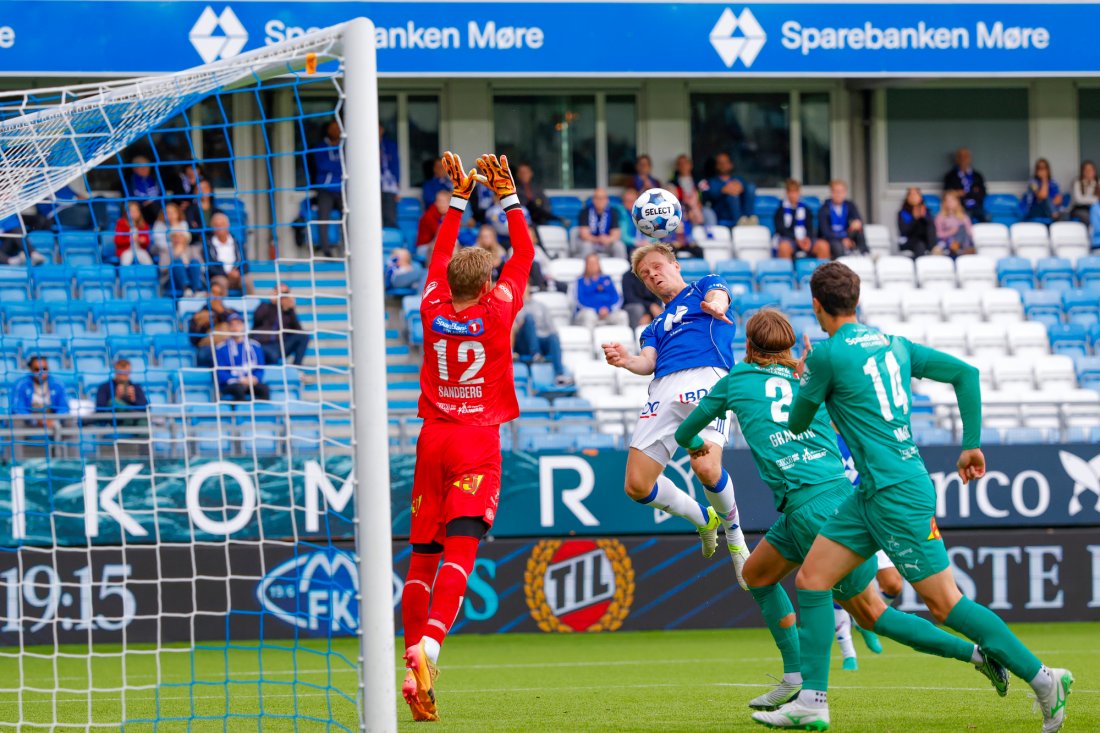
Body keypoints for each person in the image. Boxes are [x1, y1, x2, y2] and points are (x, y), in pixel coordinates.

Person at [753, 262, 1073, 731]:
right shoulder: (895, 345)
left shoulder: (826, 355)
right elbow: (965, 373)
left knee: (946, 605)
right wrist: (970, 443)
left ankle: (1044, 678)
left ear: (817, 305)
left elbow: (799, 423)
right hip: (874, 493)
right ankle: (812, 702)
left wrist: (806, 381)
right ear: (856, 301)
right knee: (813, 580)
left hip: (896, 494)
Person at [675, 309, 1006, 712]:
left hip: (817, 512)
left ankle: (976, 655)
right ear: (791, 345)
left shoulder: (737, 380)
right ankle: (795, 677)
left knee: (872, 613)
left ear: (749, 346)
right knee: (756, 574)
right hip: (818, 503)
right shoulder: (810, 376)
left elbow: (684, 431)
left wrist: (696, 445)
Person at [401, 152, 532, 722]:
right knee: (461, 549)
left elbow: (436, 257)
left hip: (431, 438)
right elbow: (524, 254)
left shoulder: (431, 306)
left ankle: (412, 663)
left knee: (421, 559)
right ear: (486, 284)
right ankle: (430, 647)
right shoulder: (498, 310)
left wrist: (458, 199)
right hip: (477, 440)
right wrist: (508, 199)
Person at [601, 243, 749, 585]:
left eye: (656, 267)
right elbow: (647, 362)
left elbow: (720, 296)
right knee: (637, 486)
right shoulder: (652, 327)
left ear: (675, 265)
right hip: (662, 390)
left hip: (706, 376)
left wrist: (716, 304)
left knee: (705, 466)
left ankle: (736, 537)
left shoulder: (704, 287)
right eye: (644, 274)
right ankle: (703, 518)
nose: (652, 275)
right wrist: (626, 361)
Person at [513, 283, 571, 385]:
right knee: (529, 318)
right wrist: (520, 325)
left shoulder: (540, 306)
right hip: (523, 342)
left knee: (553, 336)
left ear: (529, 287)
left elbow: (551, 328)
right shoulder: (513, 306)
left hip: (540, 339)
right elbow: (511, 332)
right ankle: (536, 354)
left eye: (524, 285)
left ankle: (559, 375)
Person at [252, 284, 310, 366]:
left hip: (279, 345)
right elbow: (257, 319)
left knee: (304, 336)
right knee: (273, 355)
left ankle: (297, 368)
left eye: (285, 293)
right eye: (279, 292)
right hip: (263, 344)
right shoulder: (264, 306)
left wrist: (291, 309)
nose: (282, 296)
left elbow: (298, 330)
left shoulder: (287, 312)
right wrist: (273, 303)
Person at [214, 314, 268, 401]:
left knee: (264, 388)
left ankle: (264, 413)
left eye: (238, 324)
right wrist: (238, 379)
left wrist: (255, 378)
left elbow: (260, 367)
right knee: (239, 389)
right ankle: (242, 414)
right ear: (228, 328)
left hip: (250, 382)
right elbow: (220, 372)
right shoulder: (221, 348)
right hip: (231, 384)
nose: (235, 327)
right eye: (232, 325)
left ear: (243, 326)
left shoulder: (255, 346)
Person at [9, 355, 69, 428]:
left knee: (70, 421)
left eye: (44, 369)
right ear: (31, 370)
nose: (41, 372)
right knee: (16, 421)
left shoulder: (57, 384)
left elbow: (64, 407)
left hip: (52, 418)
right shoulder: (21, 384)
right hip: (29, 420)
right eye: (37, 369)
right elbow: (17, 409)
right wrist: (35, 421)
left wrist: (54, 420)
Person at [188, 281, 238, 367]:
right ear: (208, 295)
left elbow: (238, 325)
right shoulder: (199, 315)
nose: (216, 296)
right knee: (204, 354)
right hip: (209, 347)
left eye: (219, 294)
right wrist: (204, 326)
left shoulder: (230, 312)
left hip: (228, 345)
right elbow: (193, 340)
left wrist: (220, 313)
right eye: (213, 293)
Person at [775, 179, 827, 260]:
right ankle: (787, 271)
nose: (793, 195)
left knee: (823, 246)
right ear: (787, 193)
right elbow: (781, 230)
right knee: (784, 247)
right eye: (790, 192)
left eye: (795, 192)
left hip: (805, 240)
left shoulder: (806, 210)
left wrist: (807, 239)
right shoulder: (780, 211)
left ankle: (822, 272)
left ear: (799, 193)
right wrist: (797, 240)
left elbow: (810, 228)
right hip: (789, 240)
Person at [313, 120, 343, 257]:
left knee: (349, 218)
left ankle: (347, 249)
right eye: (332, 128)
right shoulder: (320, 146)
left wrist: (334, 165)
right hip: (325, 189)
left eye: (338, 128)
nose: (335, 131)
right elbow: (322, 165)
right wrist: (338, 166)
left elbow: (349, 164)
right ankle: (326, 250)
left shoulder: (345, 145)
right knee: (323, 218)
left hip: (342, 188)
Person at [815, 180, 867, 259]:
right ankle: (841, 268)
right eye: (836, 191)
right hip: (831, 238)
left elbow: (858, 221)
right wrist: (842, 239)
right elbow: (825, 232)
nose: (838, 194)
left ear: (845, 193)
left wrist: (856, 223)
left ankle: (865, 255)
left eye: (841, 191)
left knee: (859, 231)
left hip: (847, 235)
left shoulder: (850, 206)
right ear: (831, 193)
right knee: (837, 246)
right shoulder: (824, 208)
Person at [700, 152, 755, 225]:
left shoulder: (737, 179)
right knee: (732, 196)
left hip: (741, 211)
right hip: (722, 212)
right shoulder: (712, 181)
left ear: (731, 165)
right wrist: (723, 190)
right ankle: (739, 221)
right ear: (716, 166)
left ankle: (749, 218)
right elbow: (707, 196)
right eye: (720, 163)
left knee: (750, 187)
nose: (723, 165)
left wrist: (740, 187)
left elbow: (746, 189)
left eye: (726, 162)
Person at [575, 253, 629, 328]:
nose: (593, 265)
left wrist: (608, 308)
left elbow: (617, 297)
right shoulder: (580, 281)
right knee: (589, 315)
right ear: (586, 265)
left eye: (595, 263)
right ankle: (590, 339)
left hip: (608, 311)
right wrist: (597, 309)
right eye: (590, 263)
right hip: (588, 311)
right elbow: (579, 301)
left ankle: (621, 339)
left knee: (622, 315)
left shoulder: (607, 279)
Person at [575, 188, 626, 259]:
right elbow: (584, 235)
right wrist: (598, 239)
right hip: (591, 242)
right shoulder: (585, 212)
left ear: (607, 200)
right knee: (586, 245)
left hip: (607, 243)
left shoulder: (613, 212)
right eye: (597, 198)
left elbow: (616, 234)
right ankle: (588, 269)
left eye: (602, 198)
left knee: (619, 245)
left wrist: (608, 239)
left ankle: (621, 269)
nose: (600, 201)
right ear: (593, 200)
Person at [204, 212, 248, 293]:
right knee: (220, 283)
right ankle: (221, 306)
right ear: (212, 227)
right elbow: (210, 267)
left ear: (228, 225)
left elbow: (245, 263)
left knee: (247, 280)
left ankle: (252, 305)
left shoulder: (238, 243)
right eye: (216, 225)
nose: (219, 227)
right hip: (219, 276)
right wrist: (226, 274)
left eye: (222, 224)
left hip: (237, 275)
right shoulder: (207, 245)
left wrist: (237, 273)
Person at [943, 147, 988, 222]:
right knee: (965, 219)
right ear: (957, 159)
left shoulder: (977, 176)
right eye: (960, 156)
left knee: (987, 217)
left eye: (966, 156)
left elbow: (982, 193)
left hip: (977, 206)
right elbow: (948, 193)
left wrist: (962, 193)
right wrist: (972, 192)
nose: (963, 159)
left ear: (970, 158)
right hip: (960, 207)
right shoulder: (950, 176)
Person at [1021, 158, 1066, 222]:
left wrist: (1050, 205)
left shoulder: (1053, 182)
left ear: (1048, 169)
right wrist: (1044, 179)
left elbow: (1059, 199)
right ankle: (1055, 216)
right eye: (1039, 168)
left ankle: (1056, 216)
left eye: (1044, 168)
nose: (1042, 170)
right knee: (1045, 198)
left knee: (1063, 211)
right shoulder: (1032, 183)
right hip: (1035, 210)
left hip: (1049, 210)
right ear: (1036, 170)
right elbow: (1042, 196)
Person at [514, 162, 559, 226]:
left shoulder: (538, 189)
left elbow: (546, 205)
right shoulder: (514, 190)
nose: (524, 175)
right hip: (524, 221)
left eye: (526, 172)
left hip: (540, 221)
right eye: (521, 173)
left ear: (531, 173)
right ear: (517, 175)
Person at [897, 187, 936, 258]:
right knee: (920, 245)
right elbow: (904, 231)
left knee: (934, 247)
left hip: (926, 241)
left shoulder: (926, 211)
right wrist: (914, 218)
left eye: (915, 194)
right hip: (909, 241)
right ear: (907, 198)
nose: (913, 197)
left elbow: (931, 229)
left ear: (920, 197)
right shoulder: (903, 213)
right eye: (911, 195)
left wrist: (924, 217)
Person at [935, 190, 975, 258]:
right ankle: (961, 247)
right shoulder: (940, 217)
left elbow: (969, 233)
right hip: (947, 242)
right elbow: (938, 234)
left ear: (957, 202)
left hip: (963, 241)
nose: (950, 203)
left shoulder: (964, 217)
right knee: (961, 229)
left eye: (952, 200)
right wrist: (951, 232)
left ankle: (959, 247)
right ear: (944, 203)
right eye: (947, 200)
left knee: (962, 229)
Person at [127, 155, 162, 224]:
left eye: (147, 167)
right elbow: (129, 197)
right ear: (135, 169)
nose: (145, 169)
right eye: (142, 167)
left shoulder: (154, 178)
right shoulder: (130, 181)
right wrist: (142, 203)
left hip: (157, 207)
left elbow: (161, 194)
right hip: (141, 208)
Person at [416, 189, 451, 255]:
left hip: (437, 246)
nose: (441, 204)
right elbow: (439, 237)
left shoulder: (444, 215)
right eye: (439, 201)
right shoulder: (429, 215)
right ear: (436, 202)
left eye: (444, 202)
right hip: (424, 247)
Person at [380, 123, 400, 229]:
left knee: (390, 216)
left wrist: (397, 187)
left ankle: (390, 240)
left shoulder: (389, 145)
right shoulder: (365, 144)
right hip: (371, 187)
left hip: (388, 186)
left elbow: (395, 166)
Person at [1068, 160, 1098, 225]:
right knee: (1089, 217)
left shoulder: (1097, 182)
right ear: (1082, 171)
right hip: (1078, 209)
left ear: (1094, 171)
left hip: (1094, 208)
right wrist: (1095, 199)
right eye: (1086, 170)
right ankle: (1091, 234)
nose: (1088, 172)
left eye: (1091, 169)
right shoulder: (1077, 182)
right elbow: (1079, 200)